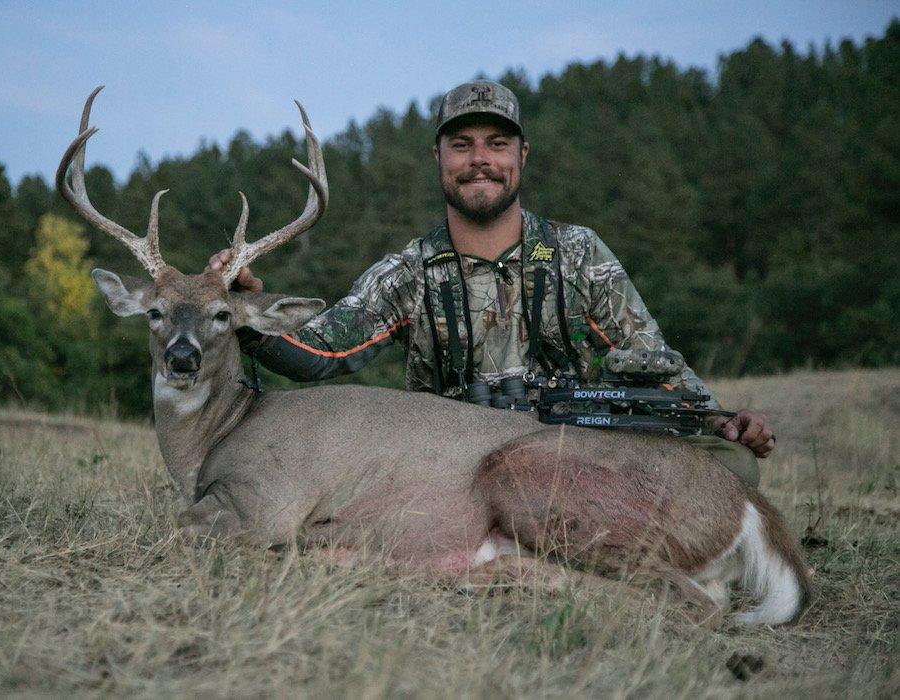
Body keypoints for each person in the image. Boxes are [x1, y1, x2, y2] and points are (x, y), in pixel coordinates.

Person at [211, 80, 775, 484]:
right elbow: (316, 353)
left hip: (579, 449)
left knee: (732, 467)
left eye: (496, 144)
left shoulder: (577, 254)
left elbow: (650, 356)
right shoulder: (410, 272)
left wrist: (717, 418)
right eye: (462, 145)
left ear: (521, 156)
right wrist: (242, 310)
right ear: (439, 158)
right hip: (454, 470)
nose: (480, 159)